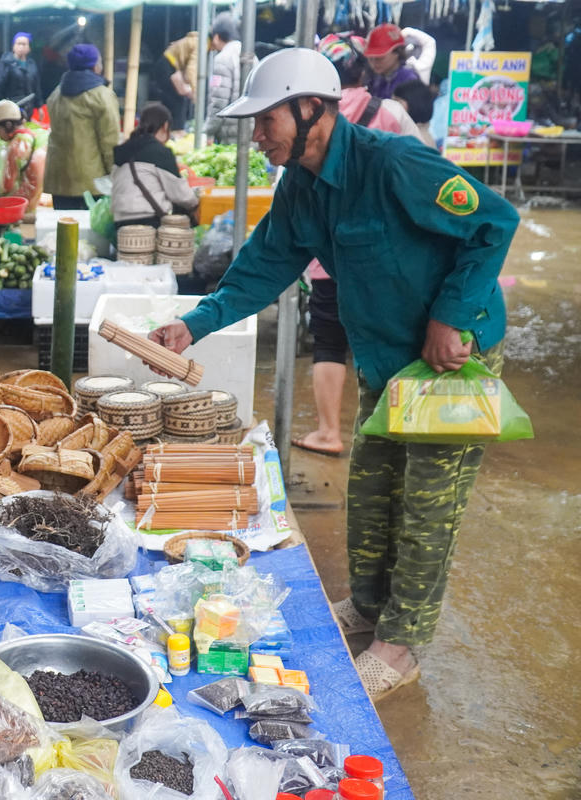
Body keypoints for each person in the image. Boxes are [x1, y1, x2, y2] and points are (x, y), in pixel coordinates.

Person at [147, 48, 519, 701]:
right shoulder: (301, 187)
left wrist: (451, 317)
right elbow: (263, 267)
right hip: (387, 365)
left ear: (312, 108)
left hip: (449, 363)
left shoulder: (394, 164)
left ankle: (400, 646)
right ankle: (372, 609)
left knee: (425, 507)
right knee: (374, 490)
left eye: (266, 121)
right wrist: (194, 324)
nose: (257, 136)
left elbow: (494, 223)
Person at [291, 34, 417, 458]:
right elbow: (426, 171)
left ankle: (329, 431)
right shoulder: (392, 114)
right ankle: (394, 429)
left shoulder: (301, 121)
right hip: (388, 260)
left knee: (329, 339)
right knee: (391, 338)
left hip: (327, 259)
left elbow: (290, 196)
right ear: (362, 71)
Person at [43, 43, 119, 211]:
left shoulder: (56, 94)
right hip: (92, 184)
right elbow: (110, 141)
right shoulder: (102, 95)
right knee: (92, 234)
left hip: (59, 181)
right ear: (94, 66)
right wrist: (115, 175)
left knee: (64, 232)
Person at [111, 102, 197, 230]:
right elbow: (182, 196)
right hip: (149, 220)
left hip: (119, 220)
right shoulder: (160, 153)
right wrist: (196, 200)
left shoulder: (122, 150)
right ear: (165, 126)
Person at [0, 99, 47, 213]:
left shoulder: (15, 146)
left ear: (8, 125)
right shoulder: (30, 136)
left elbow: (6, 187)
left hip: (20, 207)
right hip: (34, 203)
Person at [206, 13, 253, 145]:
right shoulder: (251, 56)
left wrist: (209, 131)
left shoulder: (222, 59)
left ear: (216, 37)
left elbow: (218, 101)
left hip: (230, 134)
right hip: (251, 130)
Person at [0, 32, 42, 116]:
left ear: (29, 48)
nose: (21, 47)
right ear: (13, 46)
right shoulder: (6, 63)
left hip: (28, 108)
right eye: (18, 44)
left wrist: (39, 106)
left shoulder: (31, 64)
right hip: (11, 108)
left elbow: (36, 87)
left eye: (24, 44)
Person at [365, 24, 422, 99]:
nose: (374, 63)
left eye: (380, 58)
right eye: (370, 59)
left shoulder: (409, 80)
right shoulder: (374, 76)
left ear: (397, 53)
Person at [156, 31, 200, 129]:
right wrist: (194, 91)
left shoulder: (193, 40)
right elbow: (191, 71)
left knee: (175, 100)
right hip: (167, 66)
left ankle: (169, 130)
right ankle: (176, 132)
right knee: (177, 101)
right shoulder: (200, 44)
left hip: (167, 65)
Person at [392, 79, 438, 149]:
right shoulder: (409, 132)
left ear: (414, 104)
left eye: (397, 102)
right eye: (392, 101)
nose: (392, 105)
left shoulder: (417, 139)